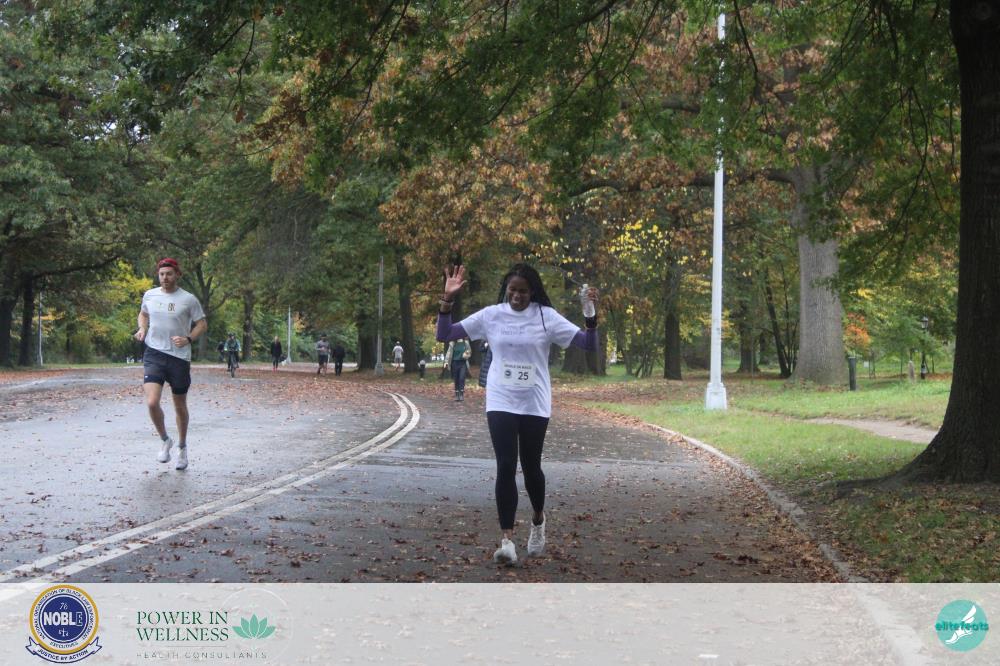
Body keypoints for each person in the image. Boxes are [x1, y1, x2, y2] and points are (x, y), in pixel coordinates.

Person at [436, 263, 598, 565]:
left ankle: (538, 519)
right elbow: (444, 334)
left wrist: (589, 312)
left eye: (523, 291)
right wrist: (448, 299)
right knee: (506, 465)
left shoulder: (546, 316)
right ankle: (507, 540)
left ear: (532, 292)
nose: (517, 296)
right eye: (512, 290)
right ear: (506, 290)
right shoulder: (492, 315)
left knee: (531, 466)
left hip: (535, 401)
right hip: (501, 399)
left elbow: (589, 344)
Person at [134, 257, 207, 471]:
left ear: (177, 275)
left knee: (179, 406)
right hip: (154, 353)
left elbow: (202, 324)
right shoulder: (150, 295)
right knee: (152, 402)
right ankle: (165, 440)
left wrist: (188, 338)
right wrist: (142, 328)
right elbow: (143, 314)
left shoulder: (188, 299)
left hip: (179, 357)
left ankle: (182, 447)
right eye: (162, 274)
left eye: (169, 274)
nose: (165, 278)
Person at [443, 337, 472, 401]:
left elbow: (469, 352)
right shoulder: (452, 343)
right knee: (456, 379)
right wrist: (446, 362)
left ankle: (461, 395)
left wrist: (467, 353)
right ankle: (457, 395)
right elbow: (448, 353)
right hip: (454, 363)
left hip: (463, 363)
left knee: (461, 378)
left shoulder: (466, 343)